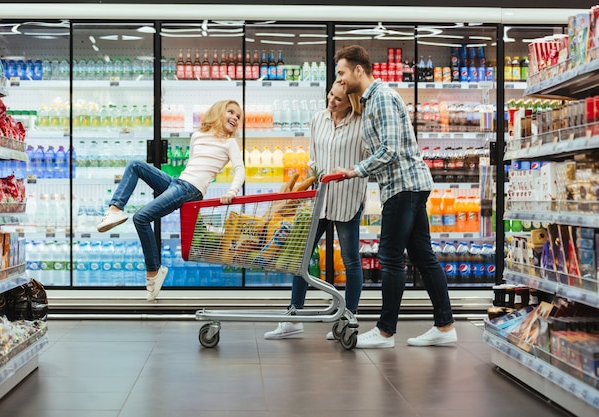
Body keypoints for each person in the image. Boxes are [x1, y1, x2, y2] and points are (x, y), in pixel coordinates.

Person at [333, 45, 457, 348]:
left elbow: (390, 150)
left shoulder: (382, 98)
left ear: (358, 70)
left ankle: (385, 331)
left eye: (341, 72)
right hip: (405, 186)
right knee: (423, 257)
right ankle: (445, 326)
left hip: (404, 186)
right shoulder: (369, 101)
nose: (339, 78)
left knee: (389, 257)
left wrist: (355, 171)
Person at [97, 99, 245, 302]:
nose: (235, 118)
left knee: (141, 217)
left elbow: (240, 170)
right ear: (219, 112)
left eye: (238, 116)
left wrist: (232, 191)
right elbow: (193, 164)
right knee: (135, 165)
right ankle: (115, 209)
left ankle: (154, 272)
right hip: (179, 182)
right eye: (231, 112)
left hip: (190, 189)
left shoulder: (230, 143)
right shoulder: (198, 136)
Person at [264, 81, 368, 341]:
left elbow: (369, 160)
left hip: (347, 197)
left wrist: (351, 172)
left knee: (351, 259)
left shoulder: (362, 123)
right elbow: (313, 159)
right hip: (319, 200)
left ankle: (349, 317)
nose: (331, 101)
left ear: (351, 103)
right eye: (331, 95)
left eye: (338, 99)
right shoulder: (318, 119)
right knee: (301, 256)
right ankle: (294, 317)